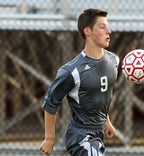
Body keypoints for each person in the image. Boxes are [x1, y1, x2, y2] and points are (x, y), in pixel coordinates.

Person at [40, 8, 119, 156]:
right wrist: (49, 138)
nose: (109, 31)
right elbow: (51, 101)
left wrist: (106, 121)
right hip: (80, 135)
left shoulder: (113, 61)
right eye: (102, 27)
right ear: (87, 31)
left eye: (107, 26)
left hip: (98, 133)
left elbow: (100, 94)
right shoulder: (72, 71)